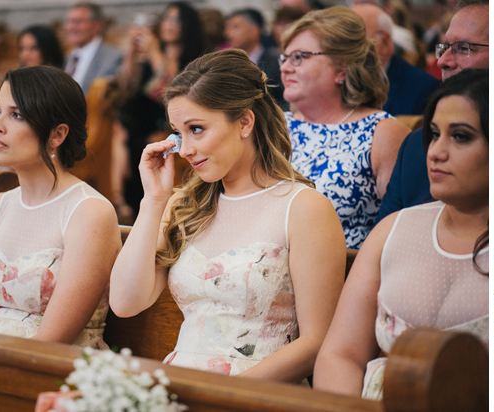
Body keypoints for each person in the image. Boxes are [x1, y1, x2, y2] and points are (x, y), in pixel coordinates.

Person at [109, 49, 345, 382]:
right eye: (178, 133)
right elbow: (124, 302)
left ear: (245, 122)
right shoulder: (182, 206)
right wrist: (153, 201)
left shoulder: (303, 207)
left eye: (197, 129)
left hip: (256, 391)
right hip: (179, 385)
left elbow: (316, 341)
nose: (185, 149)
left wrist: (221, 395)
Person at [314, 68, 489, 399]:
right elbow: (341, 355)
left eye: (461, 136)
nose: (436, 152)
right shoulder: (393, 230)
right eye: (434, 134)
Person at [0, 65, 122, 349]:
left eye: (16, 115)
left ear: (57, 135)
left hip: (51, 371)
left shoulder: (89, 213)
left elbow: (51, 342)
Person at [280, 6, 410, 249]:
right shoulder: (278, 126)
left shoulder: (382, 132)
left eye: (298, 57)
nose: (285, 67)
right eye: (284, 58)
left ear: (342, 68)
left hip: (347, 275)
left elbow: (402, 231)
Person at [376, 0, 488, 223]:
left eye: (464, 48)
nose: (442, 61)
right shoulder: (415, 146)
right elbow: (384, 239)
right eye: (445, 47)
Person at [115, 1, 205, 217]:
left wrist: (155, 52)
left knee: (148, 141)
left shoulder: (194, 61)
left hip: (171, 125)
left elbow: (169, 94)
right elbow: (125, 90)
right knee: (119, 132)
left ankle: (148, 207)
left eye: (176, 20)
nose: (169, 24)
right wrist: (131, 53)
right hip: (142, 121)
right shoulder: (148, 57)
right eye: (166, 18)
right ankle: (120, 202)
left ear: (188, 26)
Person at [352, 4, 440, 116]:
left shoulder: (424, 88)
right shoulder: (340, 80)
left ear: (384, 41)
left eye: (354, 40)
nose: (344, 48)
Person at [225, 8, 287, 110]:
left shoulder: (276, 64)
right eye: (227, 28)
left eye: (235, 27)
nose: (228, 33)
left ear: (255, 31)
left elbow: (284, 101)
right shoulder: (227, 64)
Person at [63, 2, 124, 94]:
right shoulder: (66, 57)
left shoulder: (113, 58)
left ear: (97, 25)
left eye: (78, 22)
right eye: (69, 21)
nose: (72, 27)